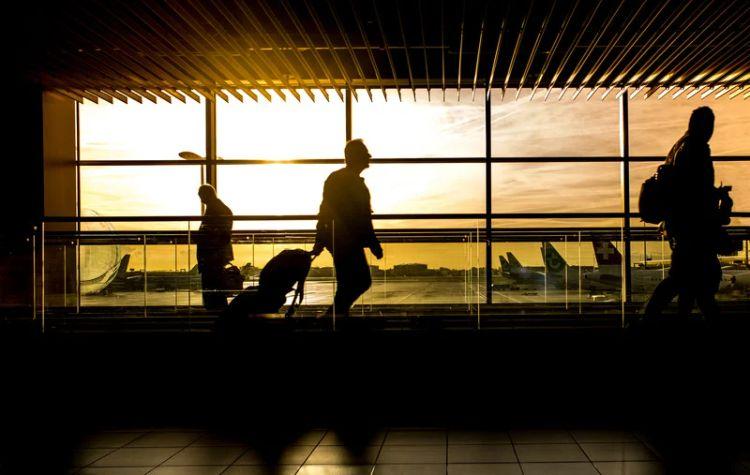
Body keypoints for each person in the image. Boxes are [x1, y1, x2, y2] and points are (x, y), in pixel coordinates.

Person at [643, 107, 730, 325]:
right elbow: (694, 191)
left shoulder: (679, 147)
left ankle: (654, 321)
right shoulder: (696, 148)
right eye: (709, 125)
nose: (711, 131)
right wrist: (716, 199)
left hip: (681, 227)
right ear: (704, 126)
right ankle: (648, 321)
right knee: (692, 281)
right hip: (693, 229)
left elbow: (686, 189)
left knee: (687, 281)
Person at [311, 139, 383, 317]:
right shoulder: (349, 181)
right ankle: (334, 317)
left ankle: (336, 317)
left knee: (350, 282)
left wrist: (320, 239)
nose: (369, 156)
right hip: (346, 240)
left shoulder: (339, 179)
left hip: (340, 239)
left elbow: (325, 209)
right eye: (365, 153)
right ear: (355, 157)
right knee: (360, 281)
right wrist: (373, 243)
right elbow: (361, 218)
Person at [195, 184, 234, 310]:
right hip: (215, 256)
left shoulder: (216, 210)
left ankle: (215, 316)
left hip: (212, 257)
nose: (201, 200)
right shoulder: (220, 208)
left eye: (201, 196)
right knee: (216, 291)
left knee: (212, 290)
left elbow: (220, 235)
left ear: (208, 194)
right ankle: (218, 316)